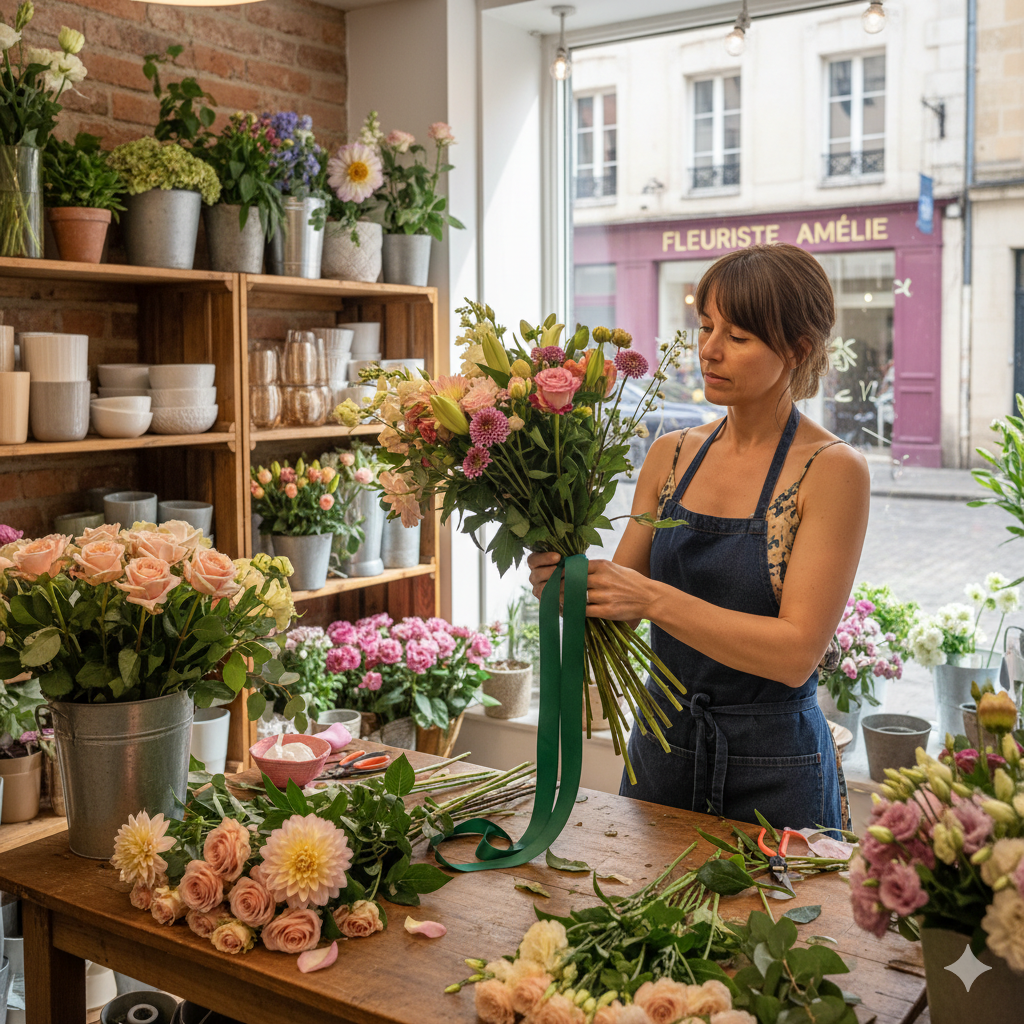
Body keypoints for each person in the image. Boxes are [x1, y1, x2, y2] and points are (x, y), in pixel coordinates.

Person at [528, 243, 870, 832]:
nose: (708, 350)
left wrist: (653, 598)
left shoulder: (832, 471)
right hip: (662, 750)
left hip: (776, 770)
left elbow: (795, 655)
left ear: (798, 351)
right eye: (707, 327)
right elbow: (621, 618)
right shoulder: (671, 456)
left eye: (737, 337)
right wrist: (571, 585)